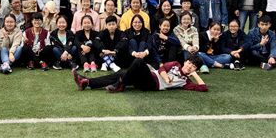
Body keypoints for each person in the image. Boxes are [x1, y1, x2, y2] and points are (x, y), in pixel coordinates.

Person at [72, 54, 206, 93]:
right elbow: (162, 69)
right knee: (119, 75)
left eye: (193, 67)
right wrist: (167, 79)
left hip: (152, 84)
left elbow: (203, 88)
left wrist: (194, 74)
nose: (190, 67)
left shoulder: (185, 82)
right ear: (185, 61)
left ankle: (120, 84)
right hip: (151, 75)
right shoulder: (175, 64)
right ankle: (87, 82)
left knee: (138, 61)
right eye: (189, 63)